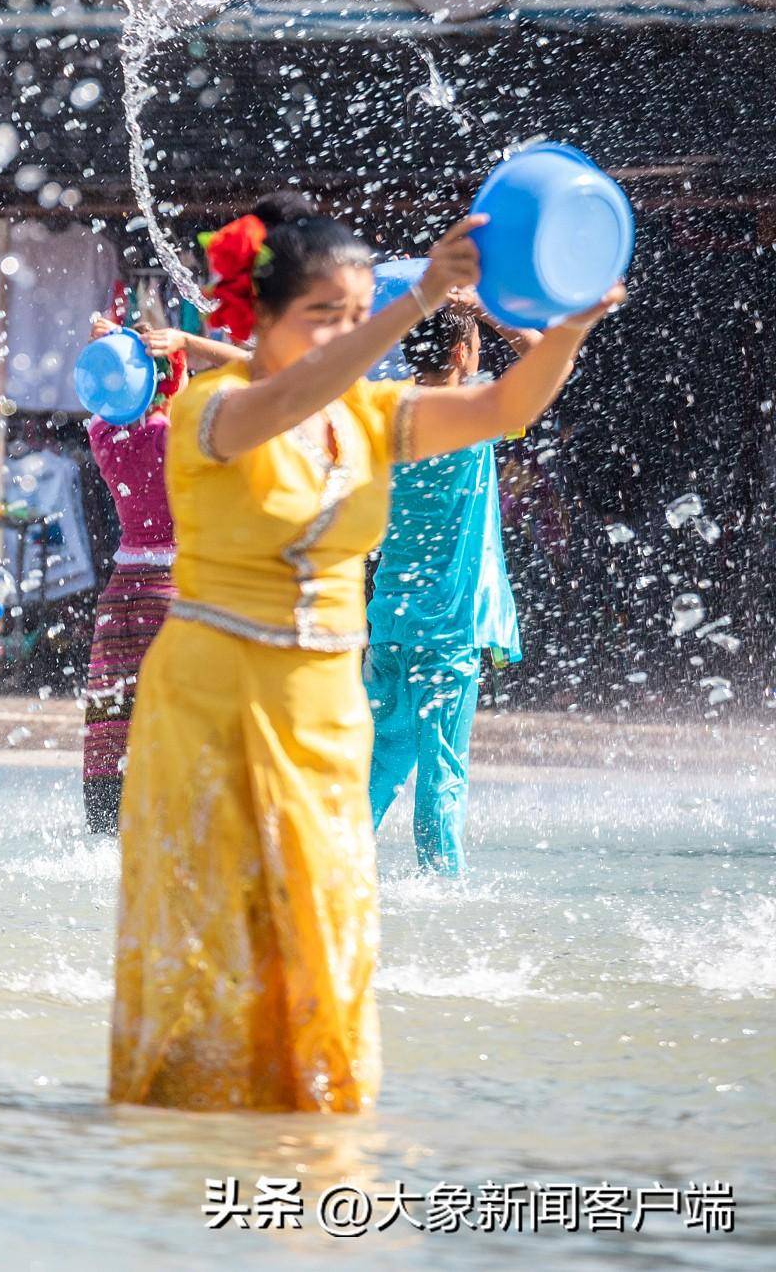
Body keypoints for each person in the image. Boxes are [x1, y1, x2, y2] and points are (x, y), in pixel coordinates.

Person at [109, 202, 622, 1114]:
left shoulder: (370, 419)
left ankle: (309, 1150)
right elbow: (288, 395)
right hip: (211, 707)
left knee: (327, 940)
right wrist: (418, 296)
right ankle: (181, 1156)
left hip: (323, 715)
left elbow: (505, 406)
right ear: (259, 318)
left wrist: (574, 331)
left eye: (357, 315)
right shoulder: (211, 409)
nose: (348, 334)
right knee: (215, 944)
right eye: (325, 313)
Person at [366, 299, 533, 876]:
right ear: (462, 353)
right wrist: (489, 314)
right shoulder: (473, 415)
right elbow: (543, 361)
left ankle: (329, 867)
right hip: (448, 625)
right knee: (441, 767)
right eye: (477, 347)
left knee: (382, 755)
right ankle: (442, 890)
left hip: (389, 616)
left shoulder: (387, 414)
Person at [78, 314, 246, 834]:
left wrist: (110, 349)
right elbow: (270, 373)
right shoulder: (185, 439)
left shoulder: (105, 435)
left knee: (114, 725)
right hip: (171, 594)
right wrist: (194, 343)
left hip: (119, 598)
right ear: (174, 379)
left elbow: (102, 392)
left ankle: (107, 828)